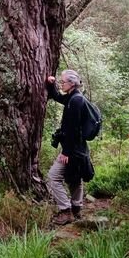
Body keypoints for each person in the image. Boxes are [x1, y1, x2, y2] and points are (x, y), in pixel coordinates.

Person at [46, 69, 89, 225]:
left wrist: (66, 152)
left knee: (53, 177)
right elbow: (57, 96)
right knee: (75, 178)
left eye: (62, 82)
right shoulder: (73, 97)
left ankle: (66, 211)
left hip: (73, 149)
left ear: (71, 83)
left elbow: (73, 129)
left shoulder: (76, 101)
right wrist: (51, 85)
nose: (61, 83)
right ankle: (76, 210)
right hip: (78, 149)